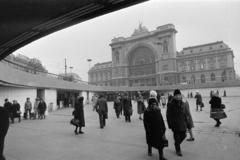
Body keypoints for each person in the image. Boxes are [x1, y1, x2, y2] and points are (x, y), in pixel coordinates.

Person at [167, 89, 190, 157]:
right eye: (176, 95)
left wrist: (187, 122)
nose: (177, 96)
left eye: (178, 95)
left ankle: (177, 144)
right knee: (176, 136)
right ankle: (178, 150)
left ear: (180, 95)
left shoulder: (183, 103)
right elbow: (168, 114)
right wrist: (170, 124)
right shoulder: (170, 104)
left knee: (184, 135)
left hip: (182, 122)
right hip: (175, 123)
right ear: (174, 96)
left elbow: (185, 114)